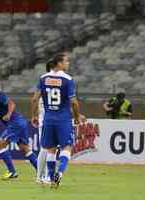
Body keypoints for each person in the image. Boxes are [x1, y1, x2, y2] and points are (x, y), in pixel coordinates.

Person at [31, 53, 84, 188]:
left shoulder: (43, 78)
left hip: (48, 118)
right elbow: (74, 102)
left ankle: (49, 177)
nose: (68, 63)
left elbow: (34, 99)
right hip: (63, 119)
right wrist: (77, 116)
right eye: (66, 61)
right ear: (59, 63)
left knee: (50, 149)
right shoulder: (67, 79)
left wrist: (34, 115)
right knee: (67, 147)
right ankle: (59, 173)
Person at [0, 79, 37, 180]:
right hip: (20, 123)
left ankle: (12, 172)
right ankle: (42, 173)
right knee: (25, 150)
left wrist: (8, 114)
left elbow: (11, 103)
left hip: (15, 123)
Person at [36, 59, 54, 184]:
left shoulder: (42, 81)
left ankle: (40, 176)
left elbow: (35, 99)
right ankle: (46, 176)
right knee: (48, 149)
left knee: (45, 148)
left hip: (44, 119)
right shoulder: (53, 82)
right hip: (50, 119)